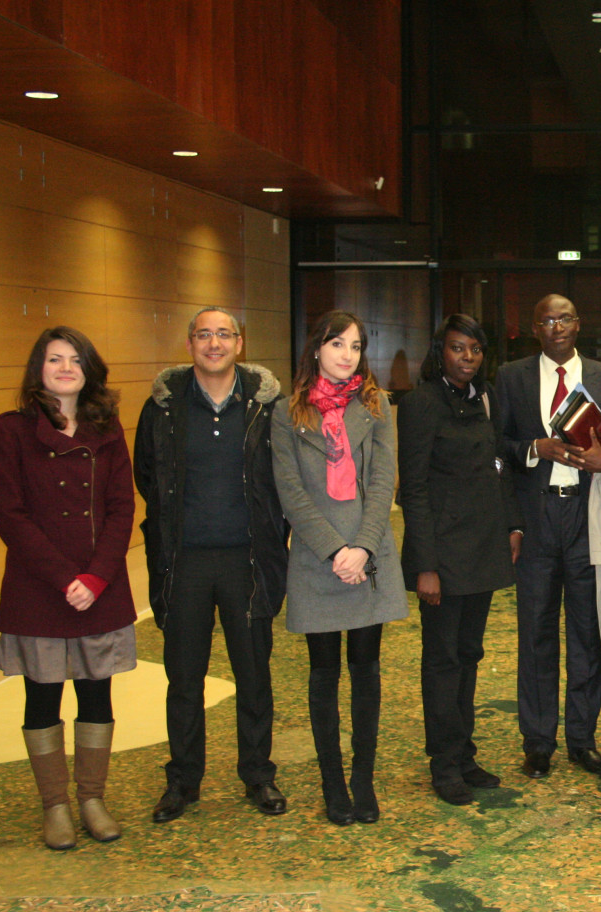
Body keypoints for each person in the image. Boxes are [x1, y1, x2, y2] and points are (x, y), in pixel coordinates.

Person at [135, 306, 290, 823]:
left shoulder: (267, 407)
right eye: (205, 334)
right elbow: (148, 478)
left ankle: (259, 776)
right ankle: (182, 781)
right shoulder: (161, 408)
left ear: (240, 343)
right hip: (185, 564)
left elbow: (283, 479)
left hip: (249, 560)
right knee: (183, 680)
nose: (215, 343)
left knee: (254, 675)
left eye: (224, 334)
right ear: (190, 344)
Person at [0, 328, 136, 850]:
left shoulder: (108, 428)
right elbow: (9, 514)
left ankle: (92, 798)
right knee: (42, 697)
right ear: (39, 369)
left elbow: (122, 507)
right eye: (55, 359)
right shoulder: (10, 430)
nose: (65, 367)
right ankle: (55, 805)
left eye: (76, 360)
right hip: (39, 589)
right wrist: (63, 578)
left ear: (89, 370)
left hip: (101, 586)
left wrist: (96, 576)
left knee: (98, 694)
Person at [271, 310, 406, 825]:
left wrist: (363, 549)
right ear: (316, 349)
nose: (347, 355)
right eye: (337, 344)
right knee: (323, 674)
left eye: (355, 346)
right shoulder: (288, 413)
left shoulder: (377, 406)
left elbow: (382, 483)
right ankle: (333, 785)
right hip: (316, 560)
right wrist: (334, 552)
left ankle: (363, 781)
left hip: (368, 557)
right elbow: (290, 494)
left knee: (366, 672)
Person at [495, 294, 601, 779]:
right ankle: (537, 741)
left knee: (586, 633)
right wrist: (536, 447)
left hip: (588, 519)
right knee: (534, 633)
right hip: (535, 520)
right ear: (535, 327)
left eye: (567, 317)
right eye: (548, 319)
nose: (558, 326)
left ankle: (582, 738)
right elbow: (498, 450)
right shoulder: (511, 377)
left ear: (579, 324)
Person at [399, 314, 524, 806]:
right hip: (442, 554)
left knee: (469, 656)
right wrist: (425, 564)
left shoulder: (485, 398)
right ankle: (444, 762)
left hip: (483, 547)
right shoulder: (421, 403)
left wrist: (513, 525)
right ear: (440, 352)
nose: (467, 357)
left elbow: (500, 466)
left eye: (474, 349)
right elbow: (412, 487)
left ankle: (464, 753)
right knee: (443, 659)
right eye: (457, 348)